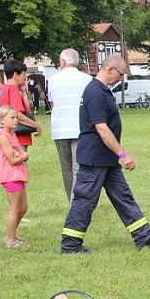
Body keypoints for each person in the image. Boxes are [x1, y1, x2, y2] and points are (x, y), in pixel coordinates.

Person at [61, 54, 150, 254]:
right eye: (120, 74)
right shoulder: (95, 92)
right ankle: (70, 245)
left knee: (123, 196)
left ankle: (143, 237)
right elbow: (101, 128)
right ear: (109, 69)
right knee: (85, 200)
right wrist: (123, 154)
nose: (120, 79)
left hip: (106, 159)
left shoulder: (103, 91)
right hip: (95, 158)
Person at [47, 48, 93, 202]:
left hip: (60, 129)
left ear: (63, 62)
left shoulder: (53, 80)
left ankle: (72, 200)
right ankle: (77, 202)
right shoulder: (87, 79)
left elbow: (52, 104)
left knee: (66, 169)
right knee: (78, 168)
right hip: (80, 128)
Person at [0, 106, 30, 248]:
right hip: (10, 175)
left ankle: (10, 234)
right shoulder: (2, 136)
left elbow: (17, 152)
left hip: (17, 174)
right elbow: (13, 159)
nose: (15, 121)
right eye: (12, 118)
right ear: (1, 120)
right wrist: (25, 156)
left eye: (16, 118)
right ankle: (10, 240)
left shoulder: (11, 134)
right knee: (15, 208)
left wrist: (21, 155)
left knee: (23, 207)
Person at [0, 58, 41, 150]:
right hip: (18, 138)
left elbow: (27, 111)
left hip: (9, 135)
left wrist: (23, 91)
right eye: (23, 74)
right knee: (20, 163)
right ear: (15, 75)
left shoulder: (5, 89)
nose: (25, 77)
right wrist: (36, 125)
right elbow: (18, 115)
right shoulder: (13, 90)